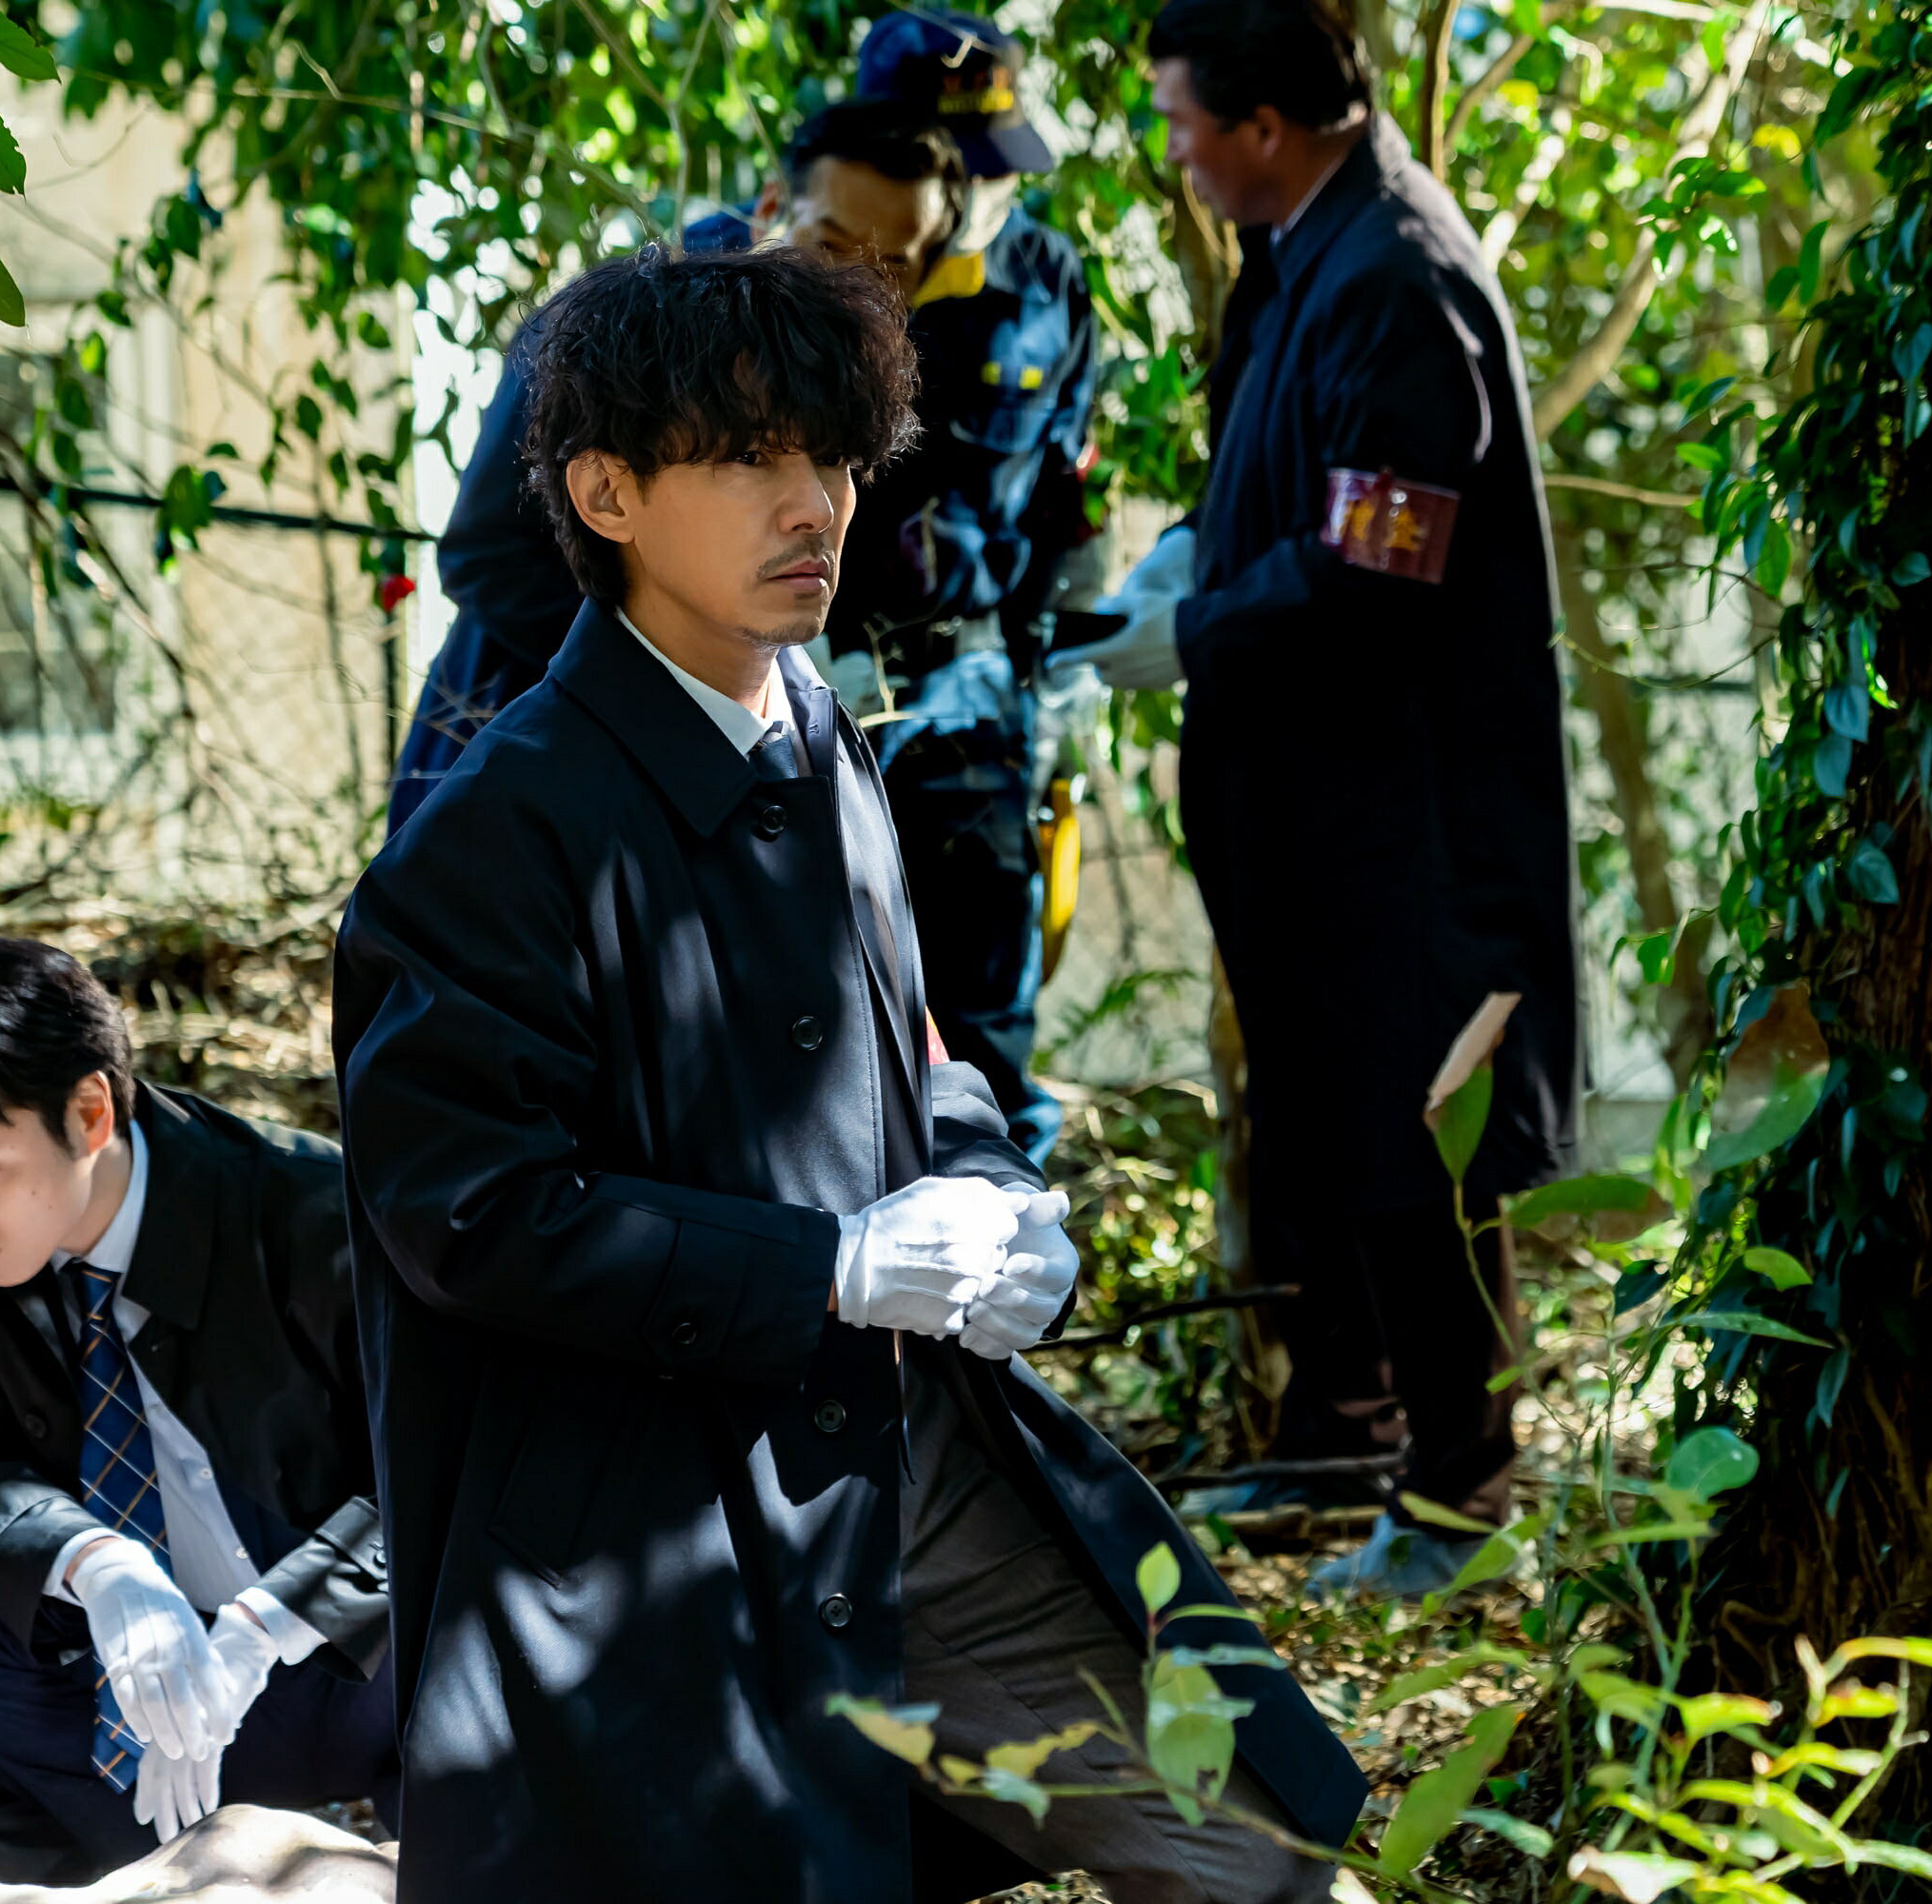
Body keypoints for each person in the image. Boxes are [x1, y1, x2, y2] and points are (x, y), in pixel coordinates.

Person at [338, 245, 1358, 1902]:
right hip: (657, 1534)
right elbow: (471, 1213)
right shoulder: (491, 837)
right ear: (605, 492)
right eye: (749, 457)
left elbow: (920, 1050)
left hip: (912, 1462)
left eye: (833, 454)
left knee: (1258, 1857)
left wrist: (997, 1192)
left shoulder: (825, 742)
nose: (814, 503)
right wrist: (825, 1267)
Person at [1061, 0, 1583, 1596]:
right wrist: (1190, 558)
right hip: (1309, 803)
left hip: (1406, 809)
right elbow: (1290, 477)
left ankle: (1461, 1503)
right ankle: (1344, 1434)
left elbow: (1384, 557)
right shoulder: (1300, 248)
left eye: (1180, 123)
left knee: (1423, 1133)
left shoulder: (1398, 274)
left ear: (1265, 128)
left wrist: (1196, 630)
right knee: (1328, 1122)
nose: (1175, 153)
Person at [393, 14, 1098, 1162]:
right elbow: (487, 554)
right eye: (749, 457)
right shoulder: (642, 328)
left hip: (852, 728)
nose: (867, 279)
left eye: (904, 255)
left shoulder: (1012, 292)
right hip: (581, 733)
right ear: (780, 201)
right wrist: (686, 671)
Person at [0, 939, 394, 1883]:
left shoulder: (307, 1210)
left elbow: (436, 1471)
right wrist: (95, 1565)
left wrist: (275, 1619)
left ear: (90, 1111)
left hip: (350, 1664)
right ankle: (82, 1876)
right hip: (128, 1680)